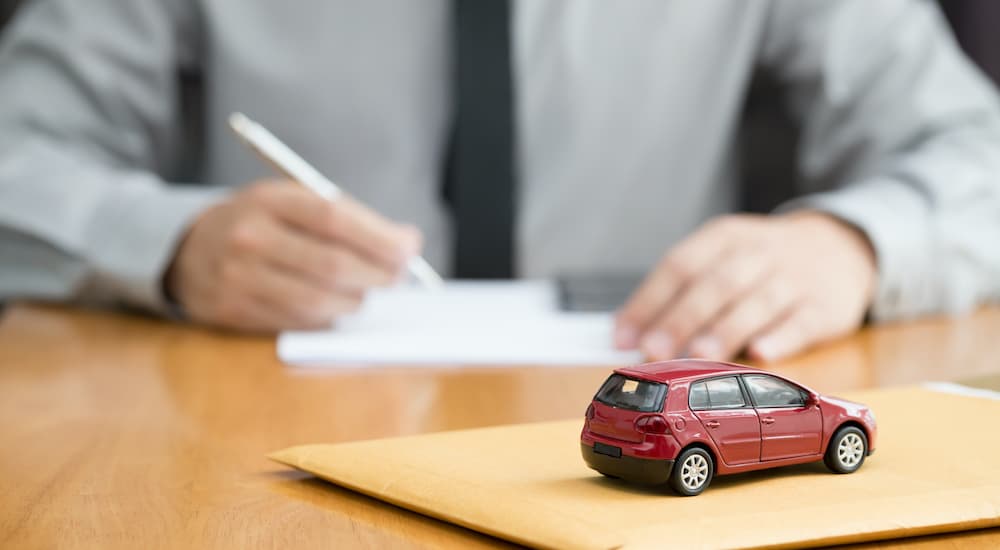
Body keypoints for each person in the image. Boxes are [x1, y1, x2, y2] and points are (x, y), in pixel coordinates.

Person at [1, 0, 998, 363]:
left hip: (644, 406)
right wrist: (165, 245)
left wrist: (855, 246)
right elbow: (18, 153)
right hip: (252, 416)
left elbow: (972, 149)